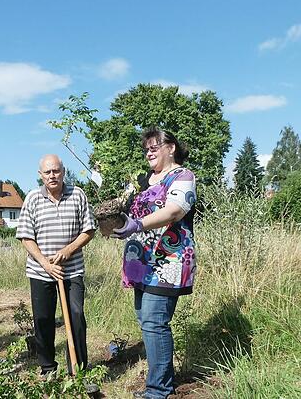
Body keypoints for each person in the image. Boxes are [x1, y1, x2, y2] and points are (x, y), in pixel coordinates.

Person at [112, 128, 197, 399]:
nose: (149, 151)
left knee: (154, 321)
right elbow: (120, 207)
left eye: (154, 146)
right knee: (146, 321)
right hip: (140, 262)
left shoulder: (182, 177)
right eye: (146, 147)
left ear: (170, 148)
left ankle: (158, 390)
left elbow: (174, 210)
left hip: (167, 261)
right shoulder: (141, 179)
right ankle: (161, 381)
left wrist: (137, 223)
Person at [16, 154, 96, 376]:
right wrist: (45, 263)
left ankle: (77, 369)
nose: (52, 175)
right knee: (43, 320)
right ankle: (48, 368)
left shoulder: (77, 194)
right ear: (40, 175)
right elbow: (25, 237)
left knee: (76, 316)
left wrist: (68, 250)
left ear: (63, 171)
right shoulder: (32, 198)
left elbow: (88, 230)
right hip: (40, 271)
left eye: (56, 171)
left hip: (72, 270)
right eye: (47, 172)